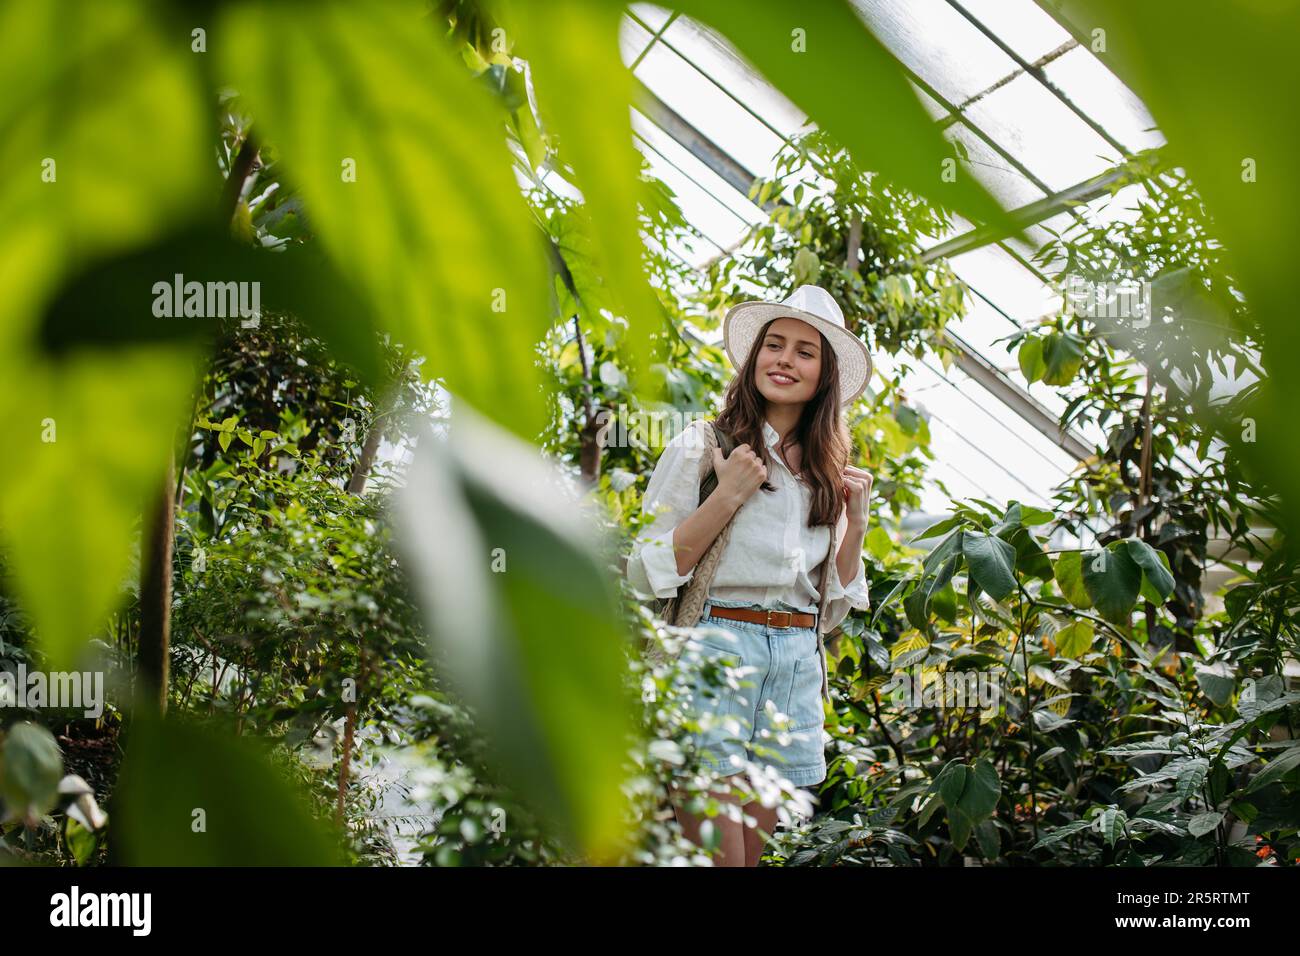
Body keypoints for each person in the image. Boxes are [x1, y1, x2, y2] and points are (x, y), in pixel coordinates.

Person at [627, 284, 875, 866]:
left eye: (804, 351)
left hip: (793, 663)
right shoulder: (703, 446)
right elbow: (643, 573)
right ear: (754, 356)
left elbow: (830, 608)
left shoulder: (827, 471)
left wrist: (856, 525)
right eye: (774, 344)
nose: (784, 360)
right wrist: (729, 495)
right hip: (716, 650)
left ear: (825, 375)